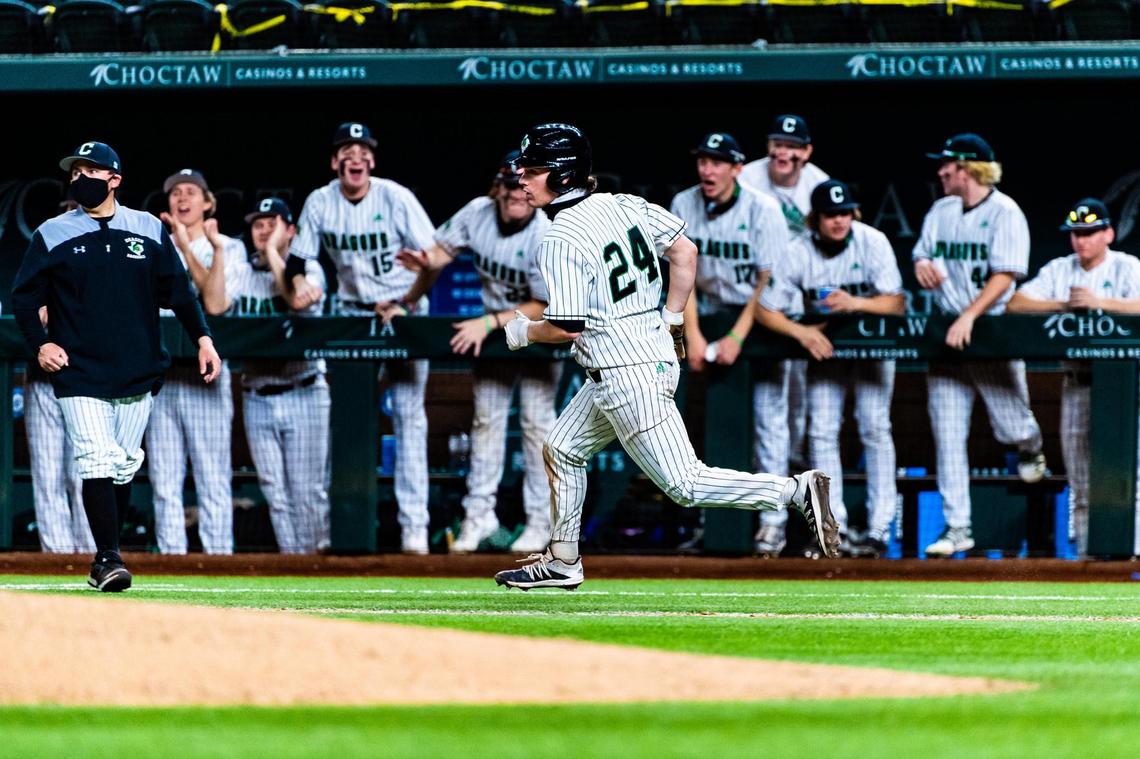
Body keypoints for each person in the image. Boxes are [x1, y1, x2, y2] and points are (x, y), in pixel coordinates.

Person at [491, 123, 839, 591]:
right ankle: (564, 558)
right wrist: (672, 319)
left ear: (562, 176)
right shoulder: (622, 203)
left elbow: (566, 326)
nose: (522, 179)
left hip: (623, 373)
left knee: (685, 484)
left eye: (532, 170)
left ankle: (793, 490)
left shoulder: (558, 238)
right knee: (563, 448)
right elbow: (684, 250)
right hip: (643, 356)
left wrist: (524, 332)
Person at [11, 140, 220, 591]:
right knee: (96, 458)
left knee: (123, 465)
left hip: (136, 368)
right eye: (75, 172)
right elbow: (24, 299)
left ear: (114, 179)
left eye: (89, 171)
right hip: (78, 370)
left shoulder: (146, 227)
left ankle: (105, 556)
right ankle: (108, 558)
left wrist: (203, 338)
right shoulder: (52, 232)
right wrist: (41, 345)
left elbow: (180, 292)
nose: (79, 179)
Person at [394, 151, 559, 554]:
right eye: (507, 184)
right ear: (497, 188)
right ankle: (478, 518)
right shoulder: (478, 212)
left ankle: (542, 521)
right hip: (498, 335)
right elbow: (438, 252)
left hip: (539, 331)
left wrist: (488, 323)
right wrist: (423, 262)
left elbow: (545, 304)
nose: (514, 193)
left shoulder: (545, 231)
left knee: (539, 427)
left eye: (522, 185)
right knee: (487, 423)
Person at [287, 121, 436, 553]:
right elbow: (299, 261)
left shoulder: (395, 197)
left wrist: (406, 301)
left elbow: (434, 260)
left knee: (410, 419)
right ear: (335, 162)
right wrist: (298, 285)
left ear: (372, 160)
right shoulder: (320, 201)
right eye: (346, 150)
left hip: (402, 309)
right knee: (350, 423)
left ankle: (415, 532)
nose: (356, 156)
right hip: (353, 313)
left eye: (363, 149)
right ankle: (345, 527)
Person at [913, 133, 1046, 557]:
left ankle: (1031, 447)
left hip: (989, 333)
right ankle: (957, 528)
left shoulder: (1006, 212)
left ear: (968, 169)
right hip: (947, 338)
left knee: (1012, 426)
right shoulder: (941, 209)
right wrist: (923, 265)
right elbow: (922, 253)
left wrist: (970, 315)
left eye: (947, 165)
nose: (940, 171)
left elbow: (1006, 276)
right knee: (948, 435)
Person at [756, 180, 904, 557]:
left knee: (875, 427)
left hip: (872, 351)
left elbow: (895, 303)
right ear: (815, 219)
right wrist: (801, 332)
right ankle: (831, 529)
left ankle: (880, 528)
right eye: (830, 215)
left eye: (844, 213)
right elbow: (764, 308)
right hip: (825, 352)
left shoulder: (872, 241)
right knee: (820, 431)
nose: (838, 221)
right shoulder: (797, 251)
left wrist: (854, 303)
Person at [668, 132, 788, 552]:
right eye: (703, 160)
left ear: (738, 169)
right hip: (707, 313)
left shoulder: (764, 209)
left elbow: (768, 281)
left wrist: (737, 334)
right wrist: (695, 334)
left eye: (718, 162)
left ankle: (773, 523)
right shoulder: (684, 203)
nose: (708, 169)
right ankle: (713, 522)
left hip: (760, 319)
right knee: (708, 427)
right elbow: (686, 273)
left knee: (769, 424)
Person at [1007, 198, 1140, 557]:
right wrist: (1064, 304)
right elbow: (1016, 303)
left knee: (1134, 478)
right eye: (1076, 233)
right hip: (1078, 381)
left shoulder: (1127, 266)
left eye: (1089, 233)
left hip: (1126, 386)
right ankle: (1087, 555)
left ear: (1108, 233)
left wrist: (1101, 302)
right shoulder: (1059, 270)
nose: (1081, 240)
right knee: (1081, 480)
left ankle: (1135, 553)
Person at [201, 197, 331, 553]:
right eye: (258, 224)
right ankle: (293, 560)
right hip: (257, 392)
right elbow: (213, 306)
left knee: (308, 489)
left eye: (272, 223)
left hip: (304, 388)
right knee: (274, 489)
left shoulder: (309, 267)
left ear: (291, 230)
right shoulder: (242, 270)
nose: (263, 230)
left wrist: (276, 252)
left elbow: (297, 300)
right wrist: (219, 253)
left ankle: (318, 561)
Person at [741, 114, 830, 556]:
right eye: (777, 142)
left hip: (797, 309)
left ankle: (801, 519)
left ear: (806, 151)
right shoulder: (750, 178)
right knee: (768, 425)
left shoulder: (819, 183)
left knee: (799, 428)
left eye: (792, 145)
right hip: (756, 305)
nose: (783, 151)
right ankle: (771, 523)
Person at [147, 168, 246, 555]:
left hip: (207, 376)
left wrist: (187, 247)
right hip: (164, 377)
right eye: (175, 193)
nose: (181, 198)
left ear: (208, 203)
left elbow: (216, 303)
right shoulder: (151, 244)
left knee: (213, 478)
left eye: (190, 192)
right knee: (164, 480)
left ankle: (220, 559)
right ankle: (170, 561)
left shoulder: (229, 247)